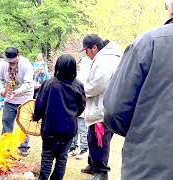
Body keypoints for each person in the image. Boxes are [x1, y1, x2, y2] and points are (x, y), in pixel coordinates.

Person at [103, 1, 173, 179]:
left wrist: (143, 132)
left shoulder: (148, 43)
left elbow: (114, 110)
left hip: (151, 164)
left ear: (171, 9)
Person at [33, 54, 86, 180]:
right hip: (68, 129)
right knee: (62, 157)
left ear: (58, 66)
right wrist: (72, 116)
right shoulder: (78, 85)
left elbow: (39, 104)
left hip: (50, 128)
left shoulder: (49, 84)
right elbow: (81, 106)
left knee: (47, 156)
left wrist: (36, 116)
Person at [80, 34, 122, 180]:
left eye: (86, 50)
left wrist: (83, 89)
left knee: (99, 142)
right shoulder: (109, 57)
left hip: (102, 110)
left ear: (94, 48)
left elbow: (99, 83)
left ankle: (100, 173)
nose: (86, 54)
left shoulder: (105, 60)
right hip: (107, 106)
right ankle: (93, 166)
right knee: (95, 140)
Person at [0, 47, 34, 156]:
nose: (11, 64)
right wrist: (2, 90)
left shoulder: (26, 64)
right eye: (9, 62)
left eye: (13, 62)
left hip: (24, 98)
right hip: (9, 98)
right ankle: (5, 145)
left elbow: (28, 84)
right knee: (7, 121)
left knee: (24, 123)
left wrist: (16, 92)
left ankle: (24, 146)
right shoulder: (3, 64)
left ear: (18, 55)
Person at [68, 56, 91, 160]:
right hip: (74, 107)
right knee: (74, 128)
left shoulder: (89, 76)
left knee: (82, 128)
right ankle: (73, 147)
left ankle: (84, 148)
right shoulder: (77, 76)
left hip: (82, 107)